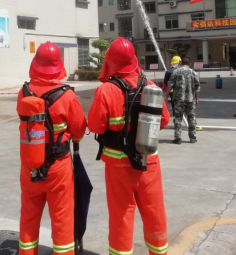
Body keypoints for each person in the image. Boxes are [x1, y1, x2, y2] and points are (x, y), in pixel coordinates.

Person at [88, 37, 170, 255]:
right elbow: (163, 120)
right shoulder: (150, 86)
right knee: (154, 211)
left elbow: (95, 125)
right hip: (148, 161)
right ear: (134, 60)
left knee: (121, 214)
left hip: (118, 165)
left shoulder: (106, 90)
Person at [17, 42, 86, 255]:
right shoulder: (67, 96)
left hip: (30, 165)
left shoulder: (24, 92)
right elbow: (78, 130)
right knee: (62, 218)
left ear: (35, 64)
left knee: (29, 217)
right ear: (58, 66)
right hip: (58, 167)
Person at [168, 57, 200, 144]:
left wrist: (166, 95)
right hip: (190, 99)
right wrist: (197, 98)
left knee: (178, 118)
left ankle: (178, 138)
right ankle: (193, 138)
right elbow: (197, 87)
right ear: (189, 63)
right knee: (191, 118)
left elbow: (170, 84)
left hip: (179, 99)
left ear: (181, 63)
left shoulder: (176, 71)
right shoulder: (193, 73)